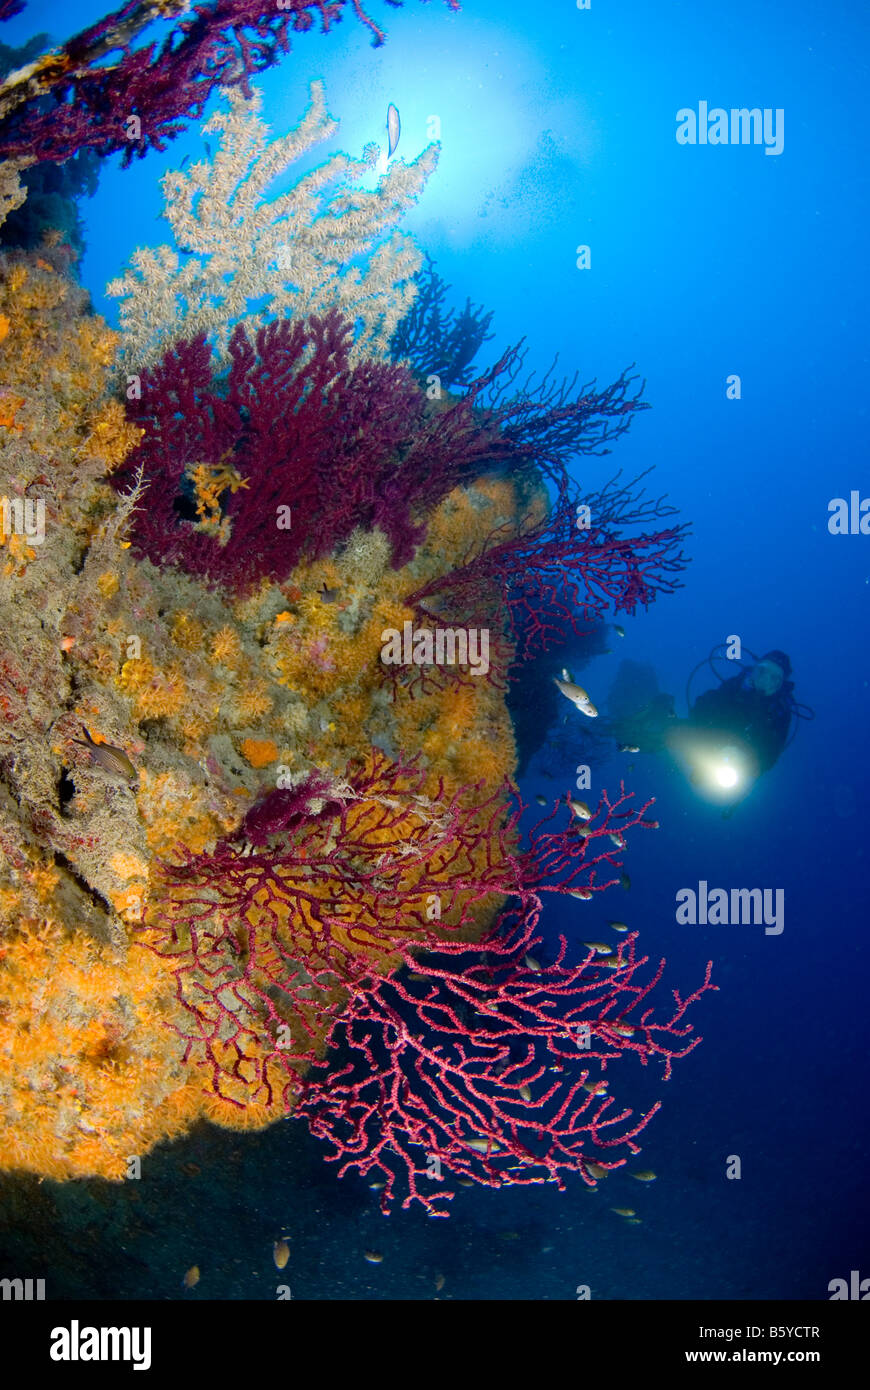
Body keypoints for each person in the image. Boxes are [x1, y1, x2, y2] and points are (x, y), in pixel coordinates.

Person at [686, 650, 795, 774]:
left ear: (780, 685)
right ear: (754, 670)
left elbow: (771, 754)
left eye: (774, 678)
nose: (765, 681)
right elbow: (702, 710)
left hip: (736, 770)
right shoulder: (735, 686)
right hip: (706, 746)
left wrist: (746, 759)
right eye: (761, 672)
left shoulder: (780, 712)